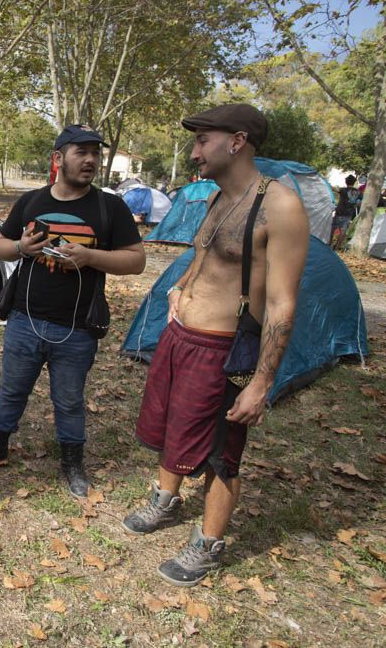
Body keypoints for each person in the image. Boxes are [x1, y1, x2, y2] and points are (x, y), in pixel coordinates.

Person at [123, 104, 308, 586]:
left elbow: (284, 304)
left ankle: (208, 543)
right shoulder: (217, 197)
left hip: (223, 351)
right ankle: (166, 499)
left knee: (222, 453)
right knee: (171, 425)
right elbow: (204, 254)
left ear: (238, 140)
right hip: (181, 338)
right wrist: (180, 287)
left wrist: (262, 382)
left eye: (203, 140)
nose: (194, 151)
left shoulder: (280, 205)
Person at [0, 124, 146, 498]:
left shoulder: (109, 206)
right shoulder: (31, 201)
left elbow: (137, 261)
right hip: (24, 319)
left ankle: (72, 461)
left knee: (68, 399)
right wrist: (22, 247)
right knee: (12, 390)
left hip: (78, 327)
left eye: (95, 153)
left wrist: (89, 256)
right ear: (58, 158)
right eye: (82, 152)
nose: (91, 160)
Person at [331, 175, 360, 249]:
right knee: (343, 231)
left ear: (346, 182)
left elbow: (334, 189)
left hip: (340, 212)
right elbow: (360, 201)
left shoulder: (343, 190)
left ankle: (328, 243)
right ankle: (337, 247)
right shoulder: (358, 192)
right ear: (354, 182)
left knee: (333, 228)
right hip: (349, 214)